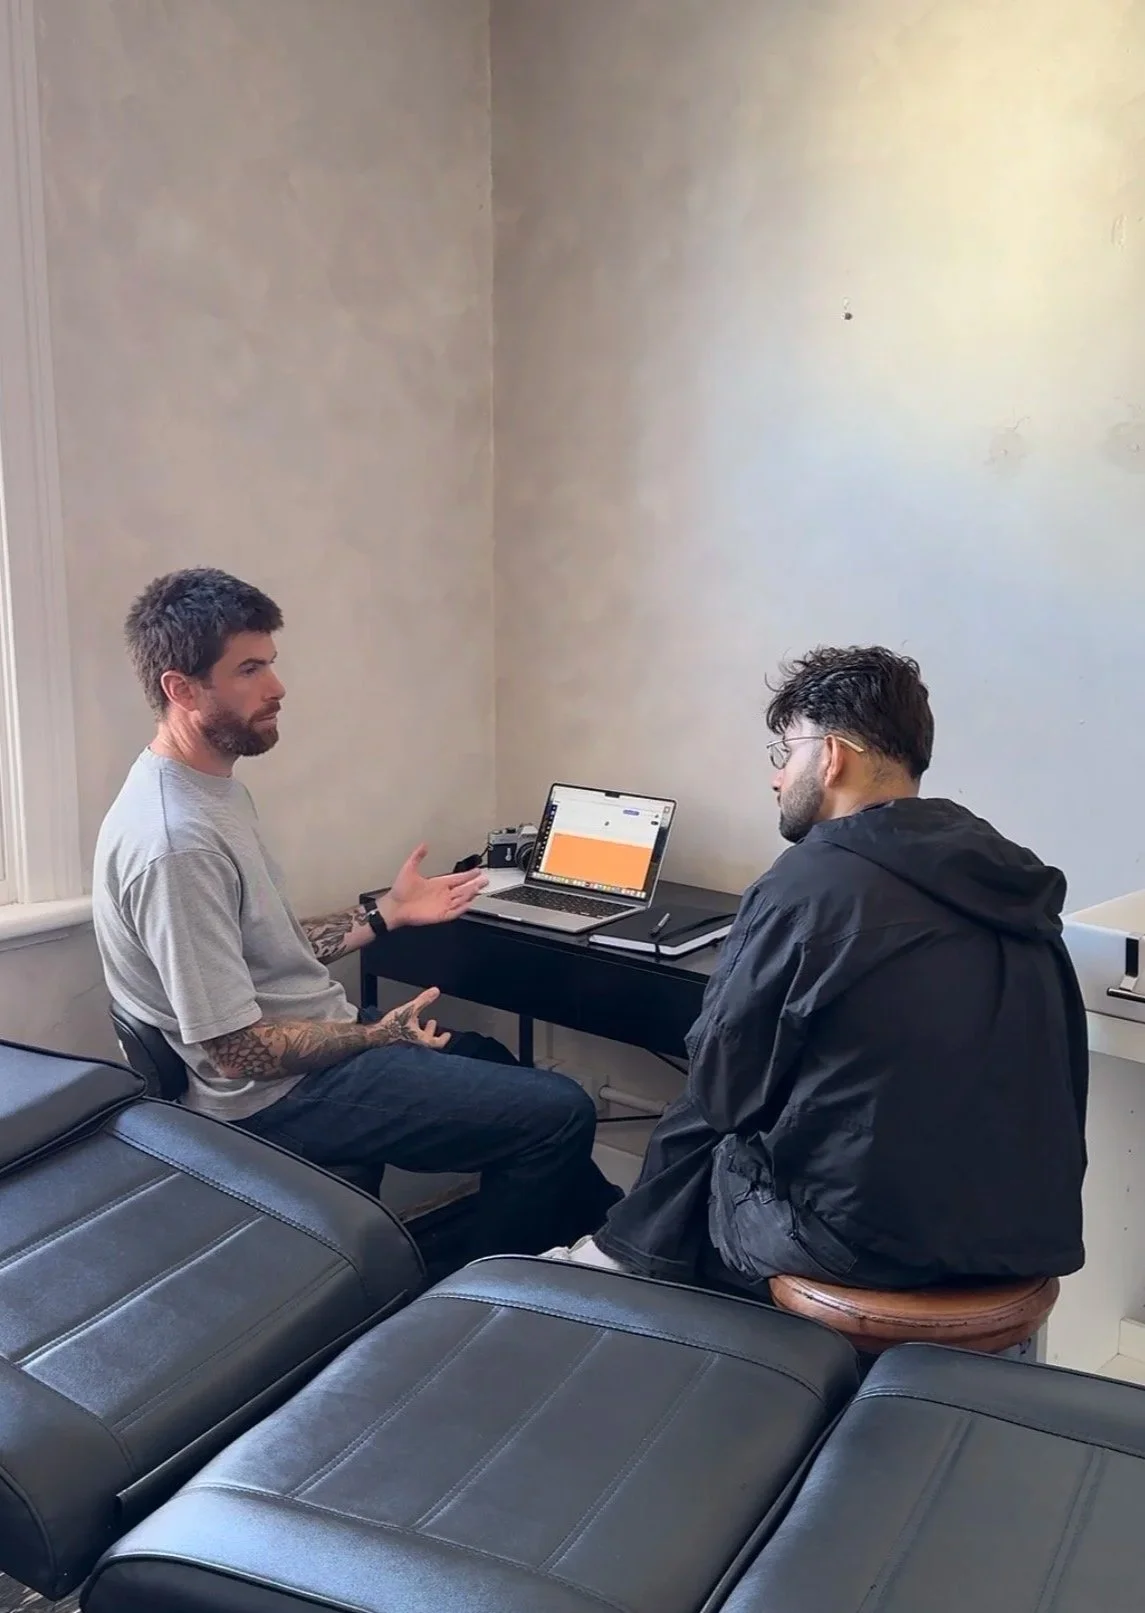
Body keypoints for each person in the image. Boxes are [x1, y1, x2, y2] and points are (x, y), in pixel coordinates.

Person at [93, 568, 619, 1258]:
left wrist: (388, 913)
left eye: (270, 663)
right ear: (181, 689)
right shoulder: (175, 843)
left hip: (302, 1054)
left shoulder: (208, 791)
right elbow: (236, 1051)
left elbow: (265, 945)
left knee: (490, 1057)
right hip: (268, 1098)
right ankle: (483, 1296)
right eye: (249, 670)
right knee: (559, 1111)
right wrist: (376, 1035)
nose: (278, 687)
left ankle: (609, 1243)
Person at [551, 646, 1088, 1292]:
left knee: (707, 1135)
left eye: (785, 753)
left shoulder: (808, 883)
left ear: (831, 756)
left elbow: (721, 1090)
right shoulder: (1006, 877)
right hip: (1021, 1235)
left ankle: (620, 1274)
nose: (776, 778)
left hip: (863, 1247)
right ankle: (619, 1257)